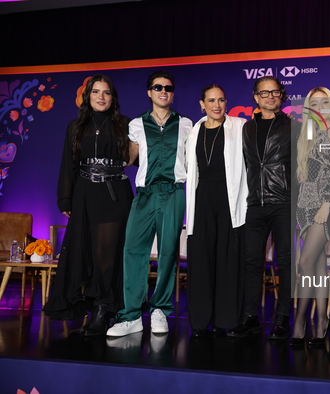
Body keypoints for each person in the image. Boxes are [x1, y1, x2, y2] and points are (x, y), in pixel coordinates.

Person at [44, 74, 133, 336]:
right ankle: (89, 303)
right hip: (84, 194)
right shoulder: (75, 126)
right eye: (96, 92)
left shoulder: (125, 124)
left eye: (106, 93)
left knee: (106, 255)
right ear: (88, 96)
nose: (101, 97)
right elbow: (68, 163)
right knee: (85, 253)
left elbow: (137, 159)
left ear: (112, 97)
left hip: (114, 194)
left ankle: (103, 308)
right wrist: (65, 197)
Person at [106, 71, 192, 337]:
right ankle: (131, 316)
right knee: (133, 251)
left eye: (168, 87)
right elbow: (129, 158)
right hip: (144, 194)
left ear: (172, 92)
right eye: (157, 87)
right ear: (149, 92)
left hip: (174, 193)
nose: (163, 91)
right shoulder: (136, 124)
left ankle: (160, 311)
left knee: (167, 254)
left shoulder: (187, 124)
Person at [227, 76, 294, 340]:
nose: (269, 96)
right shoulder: (246, 129)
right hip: (255, 203)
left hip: (285, 202)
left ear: (281, 95)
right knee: (252, 262)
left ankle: (283, 318)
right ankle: (250, 317)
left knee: (286, 264)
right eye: (263, 93)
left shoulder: (294, 127)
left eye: (274, 92)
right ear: (255, 97)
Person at [185, 84, 247, 337]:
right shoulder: (194, 131)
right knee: (201, 259)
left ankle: (227, 320)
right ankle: (200, 321)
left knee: (228, 260)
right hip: (202, 198)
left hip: (230, 198)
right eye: (211, 100)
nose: (217, 105)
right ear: (202, 104)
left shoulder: (240, 126)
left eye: (221, 100)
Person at [291, 87, 330, 347]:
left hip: (327, 205)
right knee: (316, 266)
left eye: (324, 101)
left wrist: (327, 203)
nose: (319, 106)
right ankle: (322, 322)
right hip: (304, 206)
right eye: (313, 102)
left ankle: (300, 321)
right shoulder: (308, 133)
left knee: (305, 262)